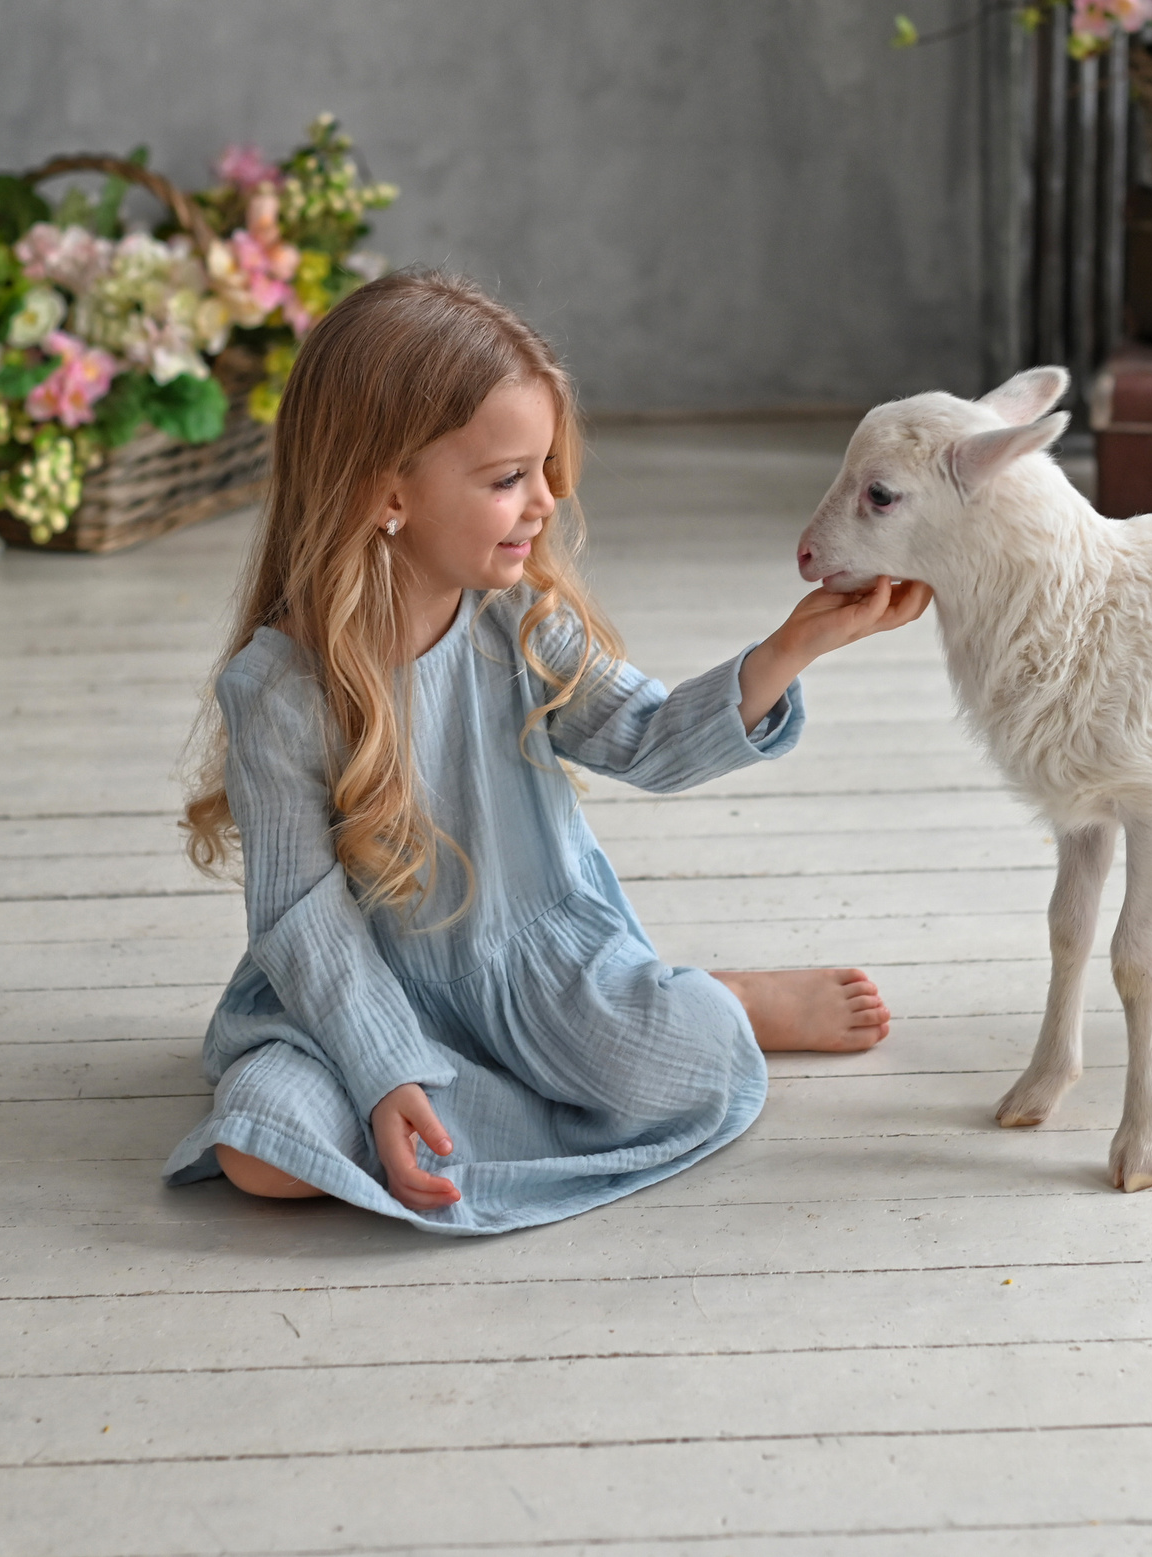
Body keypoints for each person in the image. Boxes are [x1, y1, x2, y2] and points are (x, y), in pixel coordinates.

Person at [167, 269, 933, 1233]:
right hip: (354, 989)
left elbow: (651, 741)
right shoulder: (278, 688)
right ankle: (436, 1092)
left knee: (695, 1054)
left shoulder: (519, 623)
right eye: (506, 477)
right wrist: (381, 1068)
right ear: (385, 492)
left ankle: (713, 995)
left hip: (533, 980)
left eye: (544, 467)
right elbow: (302, 914)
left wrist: (796, 644)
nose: (546, 500)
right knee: (261, 1147)